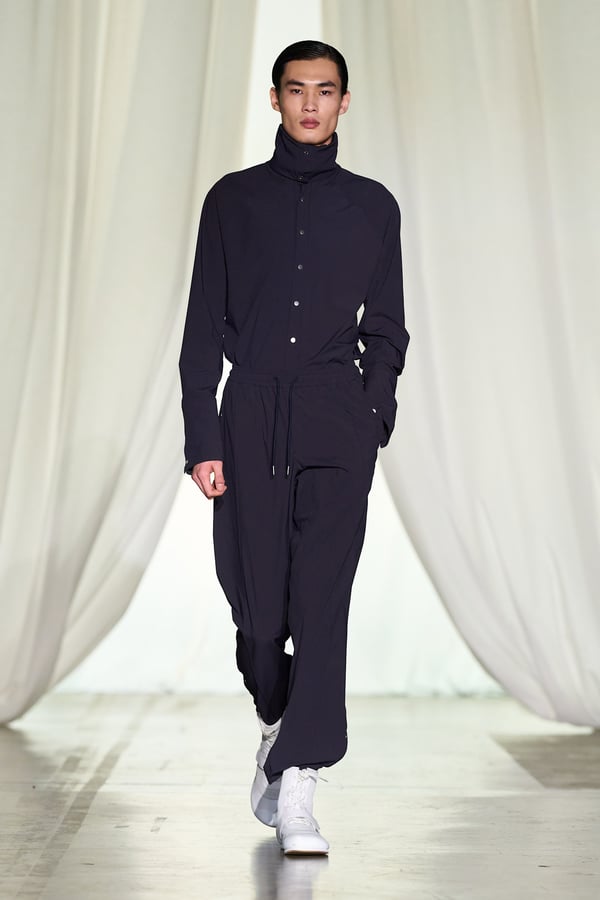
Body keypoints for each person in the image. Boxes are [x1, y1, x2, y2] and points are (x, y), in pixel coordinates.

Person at [179, 40, 409, 855]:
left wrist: (372, 412)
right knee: (257, 611)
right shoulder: (231, 200)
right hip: (249, 418)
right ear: (274, 98)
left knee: (320, 603)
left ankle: (302, 783)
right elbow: (201, 327)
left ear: (345, 101)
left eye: (326, 90)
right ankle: (275, 721)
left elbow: (387, 326)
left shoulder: (374, 207)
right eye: (297, 89)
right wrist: (202, 437)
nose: (312, 103)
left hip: (336, 420)